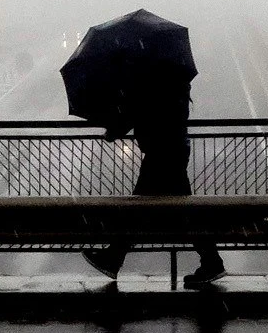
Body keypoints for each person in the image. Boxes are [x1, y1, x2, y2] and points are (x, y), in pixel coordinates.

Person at [82, 82, 225, 287]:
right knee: (181, 210)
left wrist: (115, 130)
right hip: (172, 149)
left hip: (161, 153)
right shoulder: (174, 83)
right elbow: (149, 112)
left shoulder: (153, 84)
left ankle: (114, 257)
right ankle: (212, 261)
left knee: (139, 208)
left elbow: (141, 112)